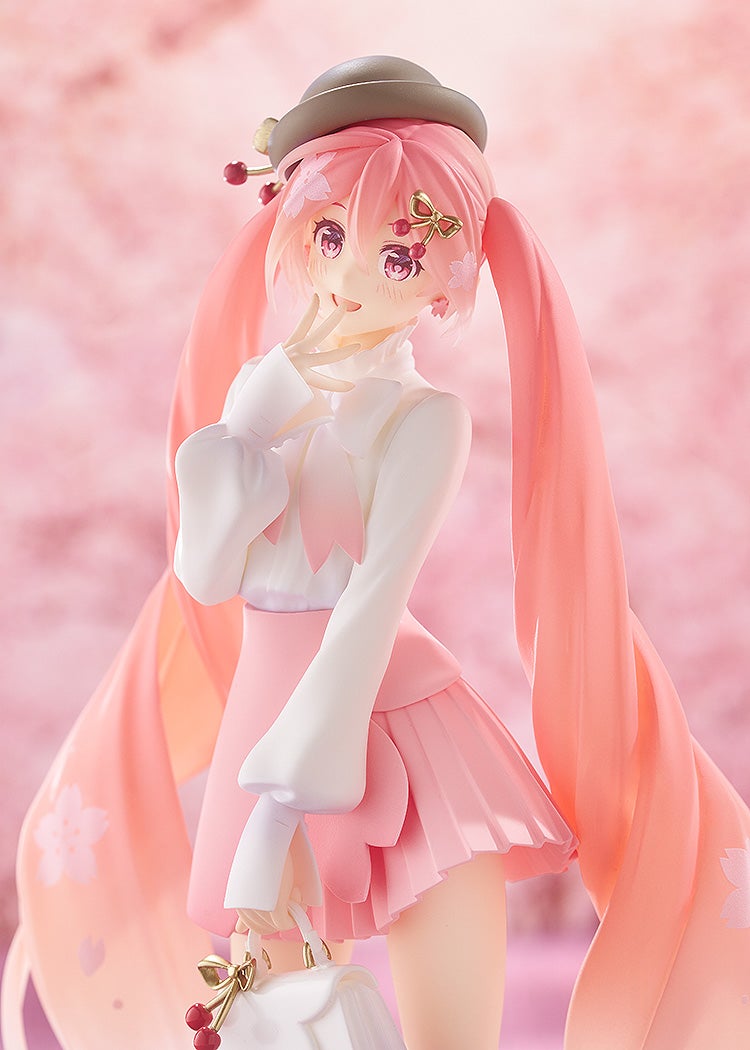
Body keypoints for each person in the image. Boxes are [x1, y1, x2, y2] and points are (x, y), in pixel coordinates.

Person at [4, 56, 749, 1050]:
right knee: (274, 1012)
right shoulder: (265, 396)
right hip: (270, 701)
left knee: (448, 1028)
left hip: (394, 720)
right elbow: (205, 577)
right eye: (330, 237)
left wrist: (311, 752)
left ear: (448, 279)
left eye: (398, 257)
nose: (353, 276)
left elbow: (374, 593)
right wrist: (242, 432)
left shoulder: (425, 419)